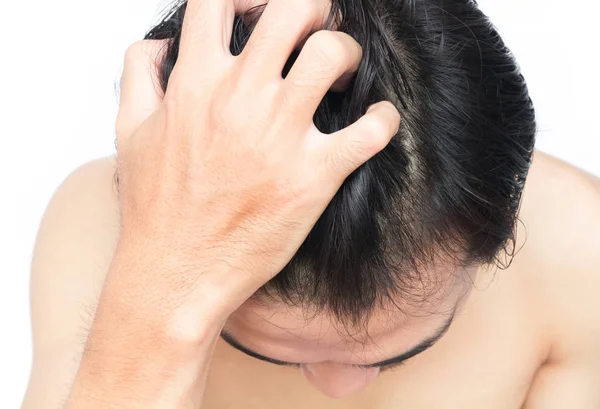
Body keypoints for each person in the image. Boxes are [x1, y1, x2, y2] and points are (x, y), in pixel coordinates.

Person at [21, 0, 600, 407]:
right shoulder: (99, 229)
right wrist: (161, 293)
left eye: (400, 351)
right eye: (269, 352)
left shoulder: (577, 255)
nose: (333, 387)